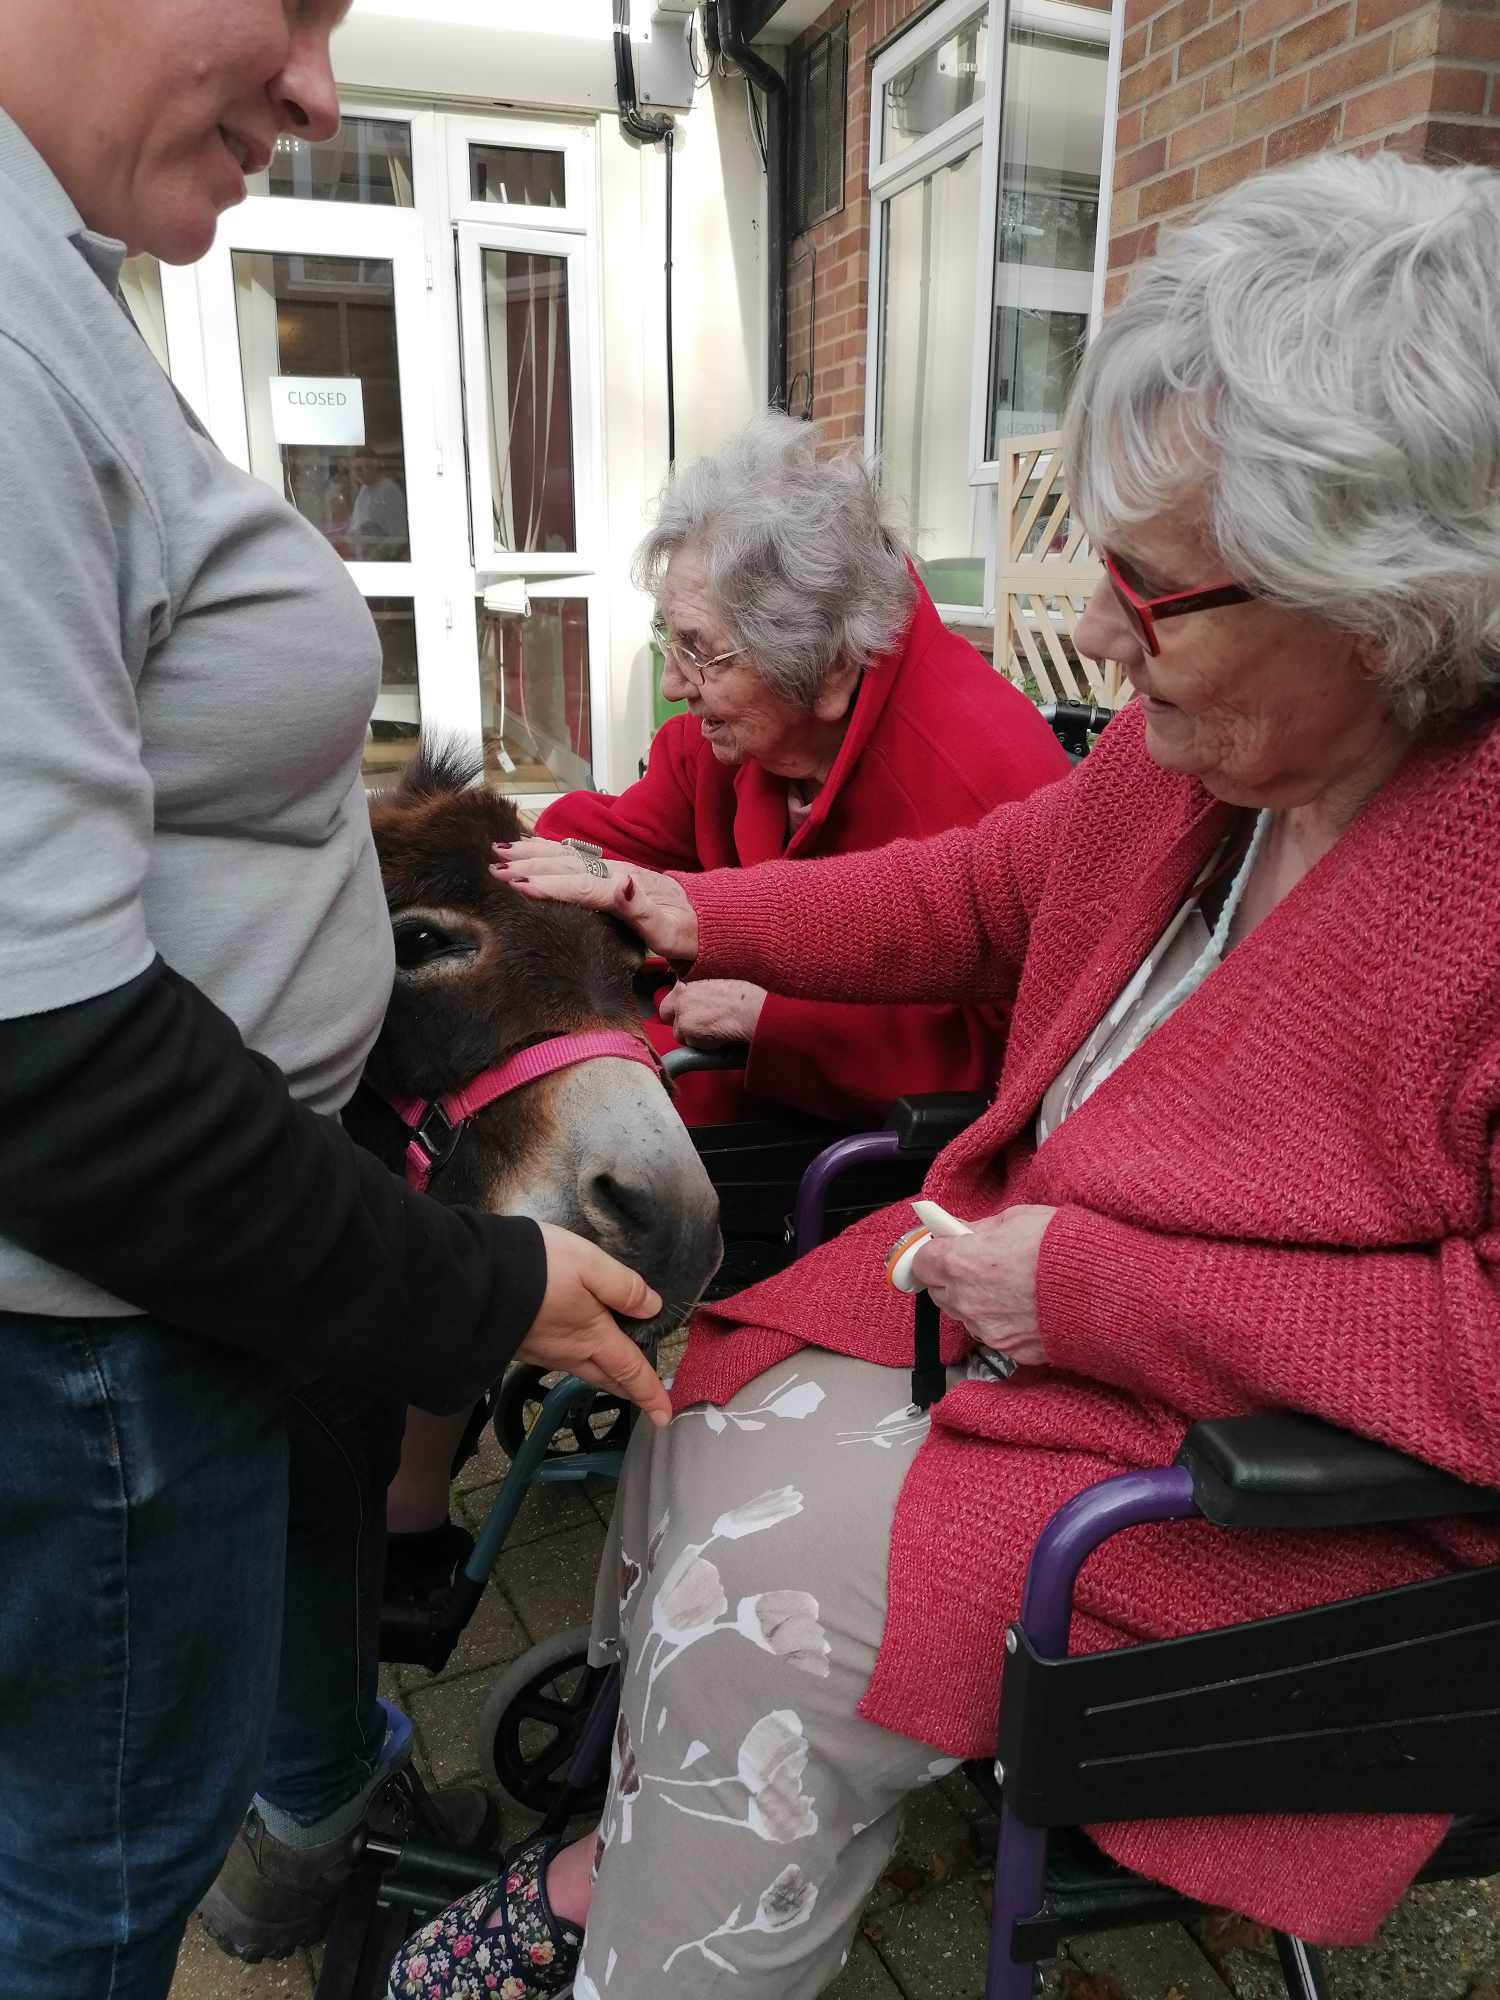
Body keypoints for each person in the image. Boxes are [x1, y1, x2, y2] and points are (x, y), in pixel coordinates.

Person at [391, 151, 1500, 1999]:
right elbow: (984, 888)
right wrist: (686, 907)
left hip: (1274, 1508)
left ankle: (657, 1945)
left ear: (1385, 595)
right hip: (1048, 1368)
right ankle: (654, 1849)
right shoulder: (1201, 751)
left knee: (756, 1593)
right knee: (697, 1423)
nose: (1088, 619)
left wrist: (1091, 1288)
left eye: (1152, 588)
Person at [0, 6, 672, 1996]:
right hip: (101, 1338)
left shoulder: (64, 283)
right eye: (290, 1)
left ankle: (320, 1778)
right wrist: (472, 1288)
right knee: (95, 1885)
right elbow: (47, 1059)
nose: (320, 87)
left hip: (163, 1310)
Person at [537, 411, 1070, 1129]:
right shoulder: (735, 732)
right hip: (736, 1107)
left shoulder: (987, 772)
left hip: (877, 1166)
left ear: (827, 665)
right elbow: (619, 844)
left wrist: (778, 1024)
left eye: (701, 650)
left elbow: (1022, 1060)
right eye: (672, 637)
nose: (672, 684)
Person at [347, 447, 410, 561]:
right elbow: (356, 524)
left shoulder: (389, 490)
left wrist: (378, 554)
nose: (358, 473)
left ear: (374, 466)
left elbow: (400, 535)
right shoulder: (364, 489)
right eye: (356, 469)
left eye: (361, 468)